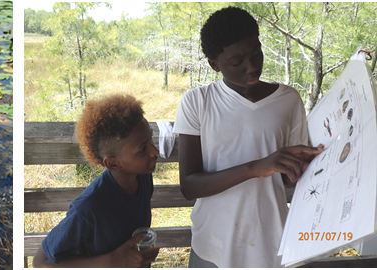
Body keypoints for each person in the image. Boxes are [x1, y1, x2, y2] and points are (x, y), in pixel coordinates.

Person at [173, 7, 324, 268]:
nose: (252, 67)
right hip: (213, 245)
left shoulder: (287, 100)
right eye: (237, 62)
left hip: (271, 241)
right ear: (214, 64)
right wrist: (257, 167)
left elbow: (287, 179)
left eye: (256, 53)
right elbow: (190, 186)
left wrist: (301, 170)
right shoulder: (197, 102)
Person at [33, 94, 161, 268]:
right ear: (113, 163)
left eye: (151, 139)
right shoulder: (89, 207)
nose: (155, 151)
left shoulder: (143, 176)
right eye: (142, 148)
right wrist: (113, 260)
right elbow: (41, 263)